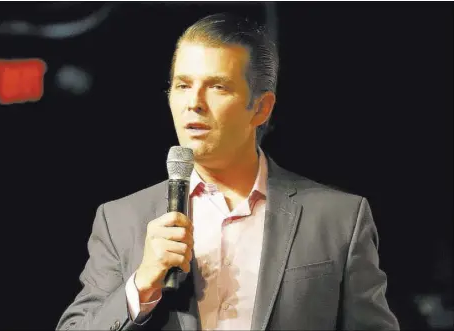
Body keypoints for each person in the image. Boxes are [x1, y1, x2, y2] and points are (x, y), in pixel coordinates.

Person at [56, 13, 400, 330]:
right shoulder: (121, 220)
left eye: (217, 86)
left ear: (260, 108)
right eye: (182, 85)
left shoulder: (339, 218)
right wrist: (141, 284)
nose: (194, 102)